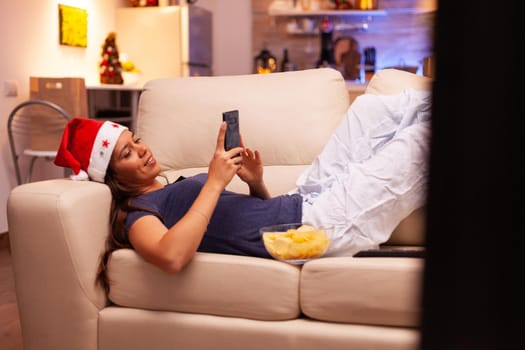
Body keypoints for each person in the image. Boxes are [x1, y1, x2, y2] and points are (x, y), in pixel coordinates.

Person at [54, 87, 431, 293]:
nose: (143, 150)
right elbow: (171, 257)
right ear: (112, 176)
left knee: (370, 109)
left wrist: (255, 183)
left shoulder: (171, 187)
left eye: (136, 140)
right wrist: (215, 181)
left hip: (304, 200)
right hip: (317, 228)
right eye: (127, 154)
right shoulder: (139, 215)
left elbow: (254, 224)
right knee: (422, 139)